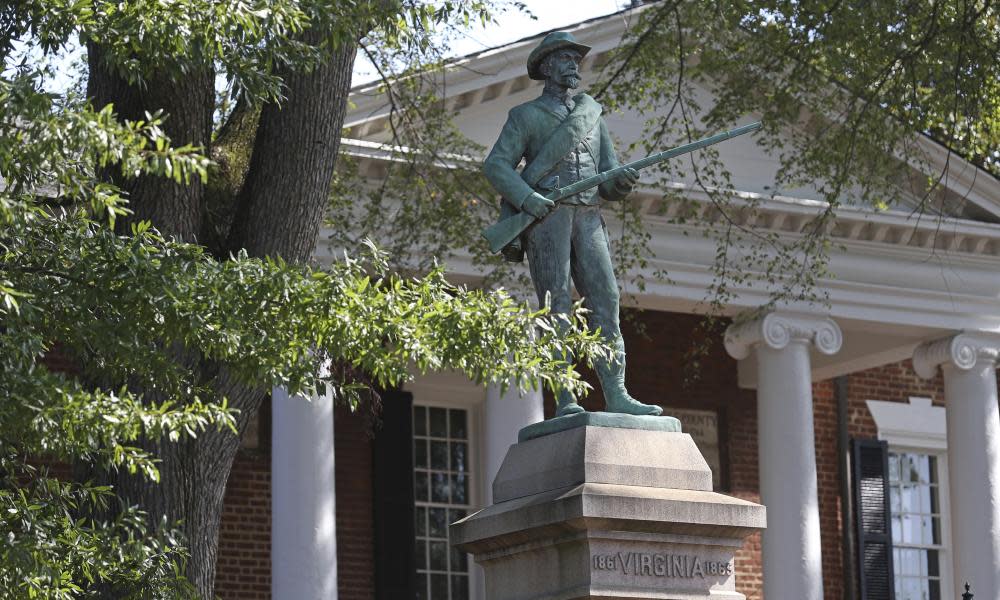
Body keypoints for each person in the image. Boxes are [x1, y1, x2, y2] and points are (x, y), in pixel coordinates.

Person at [482, 31, 662, 418]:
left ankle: (616, 393)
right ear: (546, 66)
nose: (572, 66)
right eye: (564, 59)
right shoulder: (525, 116)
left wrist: (620, 181)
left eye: (575, 60)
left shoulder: (592, 115)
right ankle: (565, 397)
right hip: (549, 217)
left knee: (606, 299)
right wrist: (529, 199)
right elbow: (496, 165)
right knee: (556, 305)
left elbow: (609, 174)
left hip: (589, 215)